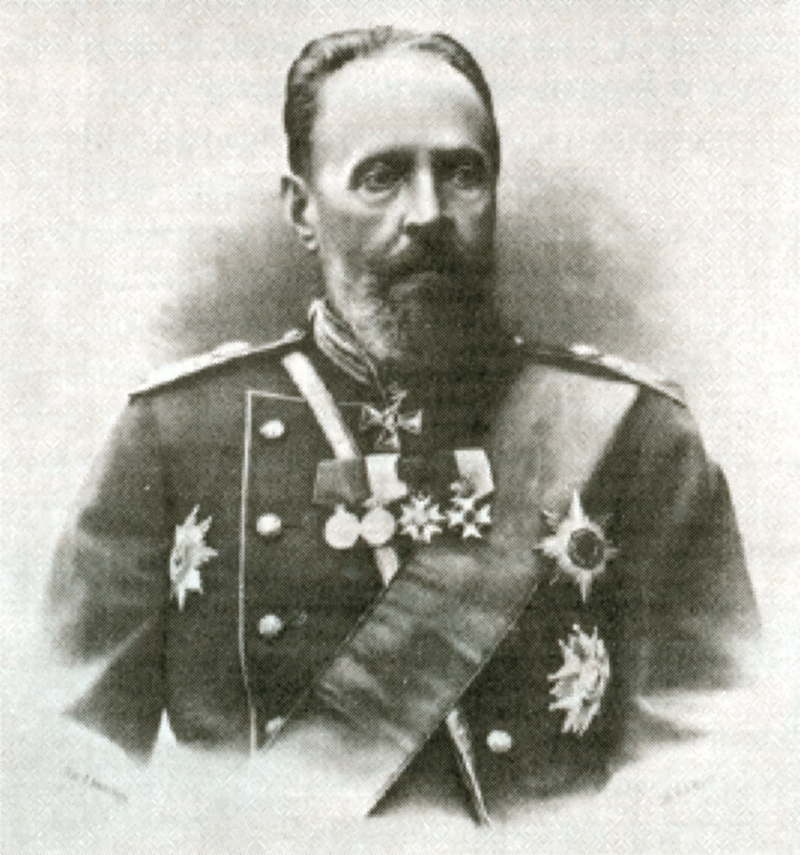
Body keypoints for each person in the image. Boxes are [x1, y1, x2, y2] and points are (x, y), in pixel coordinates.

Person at [47, 27, 759, 821]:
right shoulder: (176, 436)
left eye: (462, 174)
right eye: (381, 177)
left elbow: (711, 773)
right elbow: (66, 769)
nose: (428, 213)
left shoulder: (637, 438)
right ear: (302, 209)